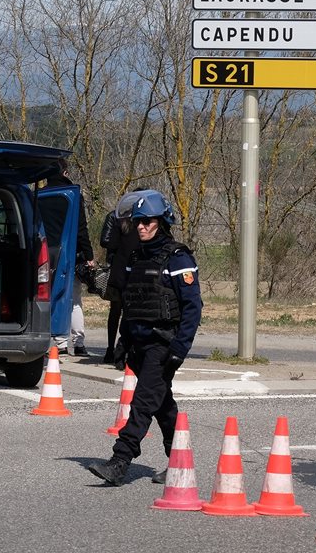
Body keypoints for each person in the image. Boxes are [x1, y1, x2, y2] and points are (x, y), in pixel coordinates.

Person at [88, 190, 202, 487]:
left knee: (142, 403)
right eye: (138, 221)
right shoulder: (136, 257)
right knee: (162, 404)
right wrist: (123, 341)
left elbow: (193, 307)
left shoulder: (178, 258)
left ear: (161, 222)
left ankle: (120, 461)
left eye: (148, 221)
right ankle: (180, 461)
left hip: (163, 345)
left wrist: (180, 348)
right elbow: (130, 301)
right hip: (139, 344)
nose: (141, 226)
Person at [46, 164, 96, 356]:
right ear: (65, 173)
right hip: (70, 254)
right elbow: (81, 228)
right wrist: (89, 255)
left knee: (48, 296)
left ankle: (59, 342)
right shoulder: (72, 195)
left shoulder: (41, 195)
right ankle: (79, 343)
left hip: (45, 254)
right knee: (74, 299)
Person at [97, 187, 150, 366]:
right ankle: (126, 350)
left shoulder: (119, 219)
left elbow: (108, 242)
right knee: (132, 312)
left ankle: (111, 349)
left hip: (119, 270)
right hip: (138, 272)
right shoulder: (145, 223)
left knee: (115, 311)